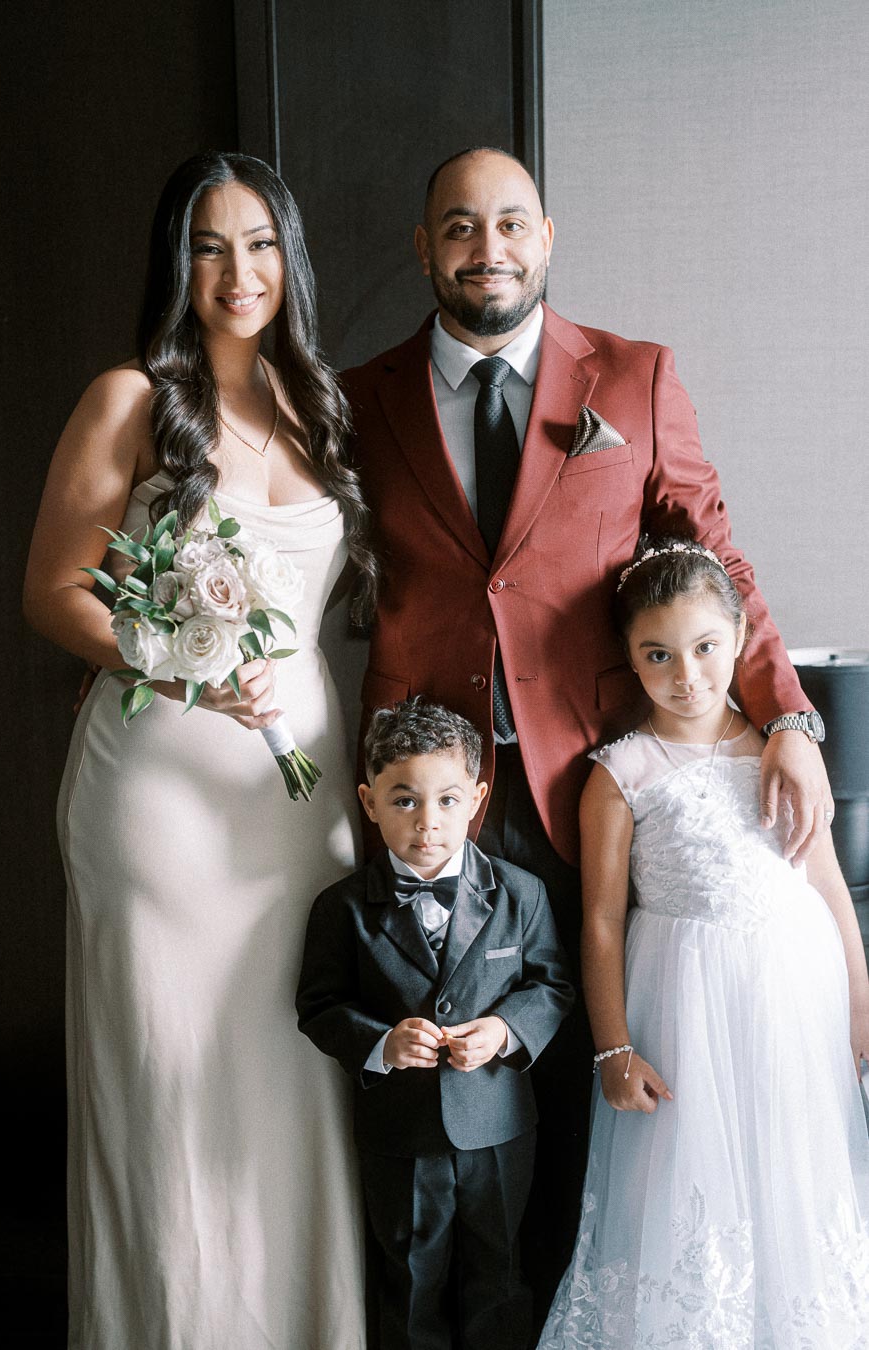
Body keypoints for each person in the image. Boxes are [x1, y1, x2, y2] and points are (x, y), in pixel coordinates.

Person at [342, 144, 835, 1313]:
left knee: (601, 1067)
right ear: (425, 249)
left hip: (600, 792)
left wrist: (791, 717)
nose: (488, 248)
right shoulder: (358, 399)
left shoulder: (637, 378)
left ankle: (580, 1312)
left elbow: (721, 562)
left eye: (511, 223)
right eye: (459, 227)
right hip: (431, 795)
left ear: (548, 236)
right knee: (446, 1087)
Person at [23, 151, 377, 1350]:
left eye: (262, 244)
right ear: (178, 263)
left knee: (289, 1081)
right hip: (161, 804)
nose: (239, 272)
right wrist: (180, 661)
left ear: (292, 260)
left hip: (294, 801)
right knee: (171, 1090)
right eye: (211, 247)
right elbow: (53, 590)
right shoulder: (131, 397)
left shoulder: (315, 400)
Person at [537, 537, 869, 1348]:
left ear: (738, 640)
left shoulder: (780, 753)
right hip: (682, 1008)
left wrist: (859, 1014)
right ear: (629, 659)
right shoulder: (622, 773)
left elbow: (828, 889)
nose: (686, 675)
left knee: (794, 1177)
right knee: (688, 1188)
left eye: (705, 648)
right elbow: (602, 921)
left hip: (795, 995)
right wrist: (612, 1047)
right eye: (658, 655)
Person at [296, 698, 574, 1350]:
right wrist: (383, 1044)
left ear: (478, 798)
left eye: (448, 801)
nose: (428, 822)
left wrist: (504, 1030)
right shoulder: (340, 909)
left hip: (499, 1128)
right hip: (402, 1133)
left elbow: (552, 986)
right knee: (410, 1280)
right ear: (368, 801)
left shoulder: (521, 892)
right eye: (404, 801)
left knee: (499, 1275)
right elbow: (319, 1007)